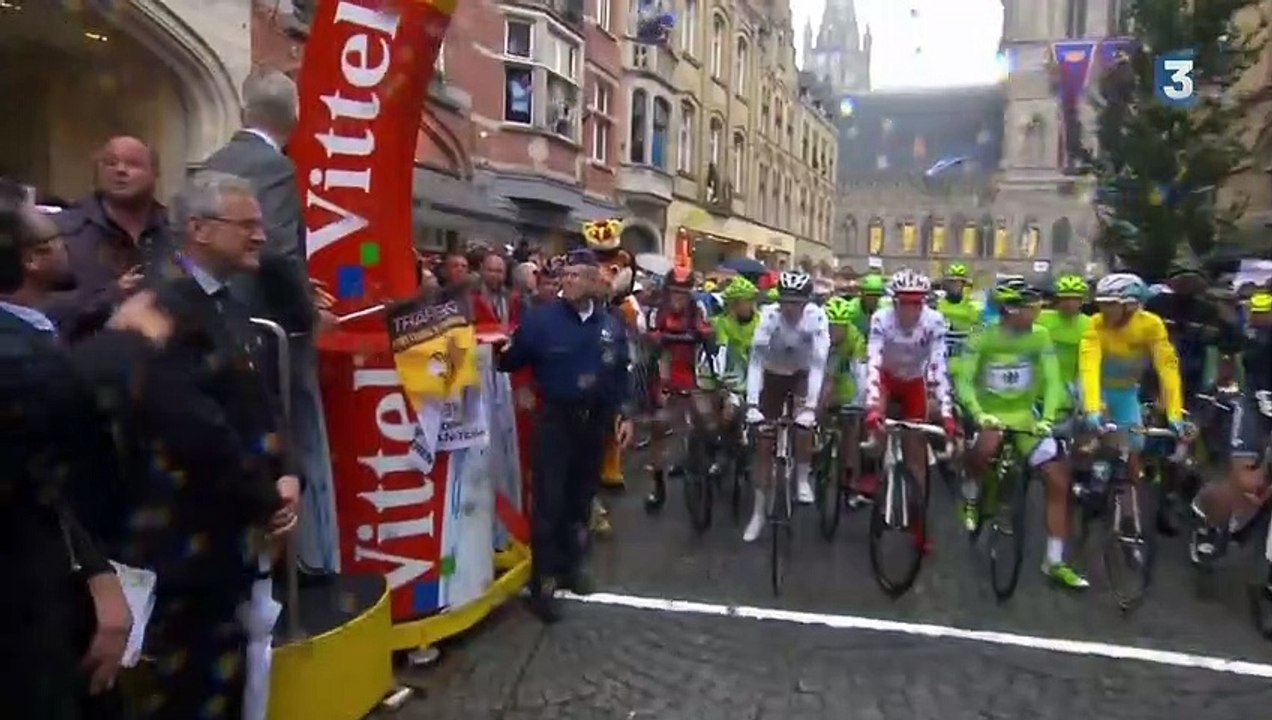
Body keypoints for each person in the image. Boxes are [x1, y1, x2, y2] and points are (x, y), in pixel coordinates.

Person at [111, 171, 301, 719]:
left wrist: (286, 471)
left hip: (233, 533)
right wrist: (267, 496)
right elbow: (196, 430)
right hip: (189, 537)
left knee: (230, 676)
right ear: (199, 228)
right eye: (248, 225)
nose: (261, 236)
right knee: (193, 689)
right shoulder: (162, 307)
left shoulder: (226, 304)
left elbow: (259, 398)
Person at [0, 181, 141, 720]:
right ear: (34, 259)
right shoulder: (26, 367)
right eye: (59, 237)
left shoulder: (41, 335)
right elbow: (59, 481)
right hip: (37, 603)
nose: (71, 246)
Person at [203, 70, 336, 572]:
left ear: (243, 110)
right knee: (293, 441)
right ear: (293, 117)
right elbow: (278, 250)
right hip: (273, 334)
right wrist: (308, 311)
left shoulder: (211, 165)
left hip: (218, 326)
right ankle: (306, 560)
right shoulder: (275, 169)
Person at [494, 248, 633, 622]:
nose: (567, 281)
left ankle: (571, 566)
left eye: (575, 275)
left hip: (595, 422)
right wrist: (513, 370)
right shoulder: (541, 321)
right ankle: (543, 582)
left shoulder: (610, 324)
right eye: (564, 275)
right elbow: (509, 359)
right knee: (549, 502)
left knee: (581, 499)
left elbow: (621, 372)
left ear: (593, 280)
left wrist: (624, 414)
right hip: (556, 420)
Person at [955, 282, 1088, 589]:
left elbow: (1053, 381)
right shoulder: (981, 335)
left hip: (1026, 416)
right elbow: (964, 379)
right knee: (985, 448)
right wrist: (978, 413)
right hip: (988, 413)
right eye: (1030, 306)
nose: (1037, 310)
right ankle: (972, 493)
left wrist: (1049, 418)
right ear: (1009, 310)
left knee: (1058, 479)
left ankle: (1054, 561)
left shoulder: (1040, 335)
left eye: (1037, 305)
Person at [42, 136, 175, 341]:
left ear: (155, 172)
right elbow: (38, 308)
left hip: (165, 361)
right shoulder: (60, 231)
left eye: (133, 163)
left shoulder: (176, 231)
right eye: (110, 163)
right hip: (82, 359)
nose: (120, 170)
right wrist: (109, 297)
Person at [862, 270, 957, 551]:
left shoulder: (935, 321)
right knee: (876, 422)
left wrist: (948, 413)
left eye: (917, 303)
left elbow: (939, 368)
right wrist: (872, 408)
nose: (911, 309)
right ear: (894, 303)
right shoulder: (881, 319)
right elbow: (873, 363)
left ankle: (919, 524)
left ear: (924, 303)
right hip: (887, 379)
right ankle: (874, 469)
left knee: (916, 458)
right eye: (905, 303)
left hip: (914, 382)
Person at [1078, 273, 1187, 493]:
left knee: (1134, 445)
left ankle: (1129, 498)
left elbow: (1167, 369)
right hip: (1097, 389)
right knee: (1094, 437)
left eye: (1111, 305)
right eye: (1102, 304)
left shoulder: (1151, 325)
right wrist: (1092, 407)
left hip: (1127, 391)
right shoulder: (1095, 324)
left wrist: (1174, 412)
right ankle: (1084, 482)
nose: (1104, 310)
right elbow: (1088, 368)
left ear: (1130, 305)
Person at [742, 271, 831, 541]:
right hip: (772, 374)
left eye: (796, 303)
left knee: (803, 426)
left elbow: (818, 365)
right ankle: (758, 513)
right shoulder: (769, 316)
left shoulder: (817, 318)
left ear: (807, 302)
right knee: (764, 443)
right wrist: (752, 404)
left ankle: (802, 477)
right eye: (786, 302)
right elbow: (755, 362)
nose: (790, 308)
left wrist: (810, 407)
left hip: (803, 375)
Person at [1191, 291, 1272, 563]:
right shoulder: (1253, 340)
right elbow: (1229, 362)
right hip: (1254, 412)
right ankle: (1210, 525)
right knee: (1246, 481)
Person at [644, 265, 715, 511]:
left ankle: (703, 457)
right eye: (675, 292)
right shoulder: (657, 311)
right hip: (666, 369)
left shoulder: (698, 309)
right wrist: (656, 338)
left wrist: (705, 334)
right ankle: (657, 483)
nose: (679, 298)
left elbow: (708, 332)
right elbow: (650, 338)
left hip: (691, 370)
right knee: (660, 424)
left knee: (705, 416)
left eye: (683, 294)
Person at [822, 296, 868, 497]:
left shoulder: (855, 337)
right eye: (832, 326)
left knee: (852, 429)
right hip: (822, 380)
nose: (836, 331)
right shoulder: (817, 334)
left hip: (846, 384)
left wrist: (860, 401)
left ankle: (851, 480)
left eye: (841, 326)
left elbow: (861, 372)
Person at [1036, 274, 1091, 415]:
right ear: (1057, 300)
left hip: (1070, 391)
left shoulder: (1090, 324)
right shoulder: (1040, 318)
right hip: (1038, 389)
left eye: (1075, 299)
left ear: (1082, 301)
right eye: (1065, 298)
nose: (1070, 303)